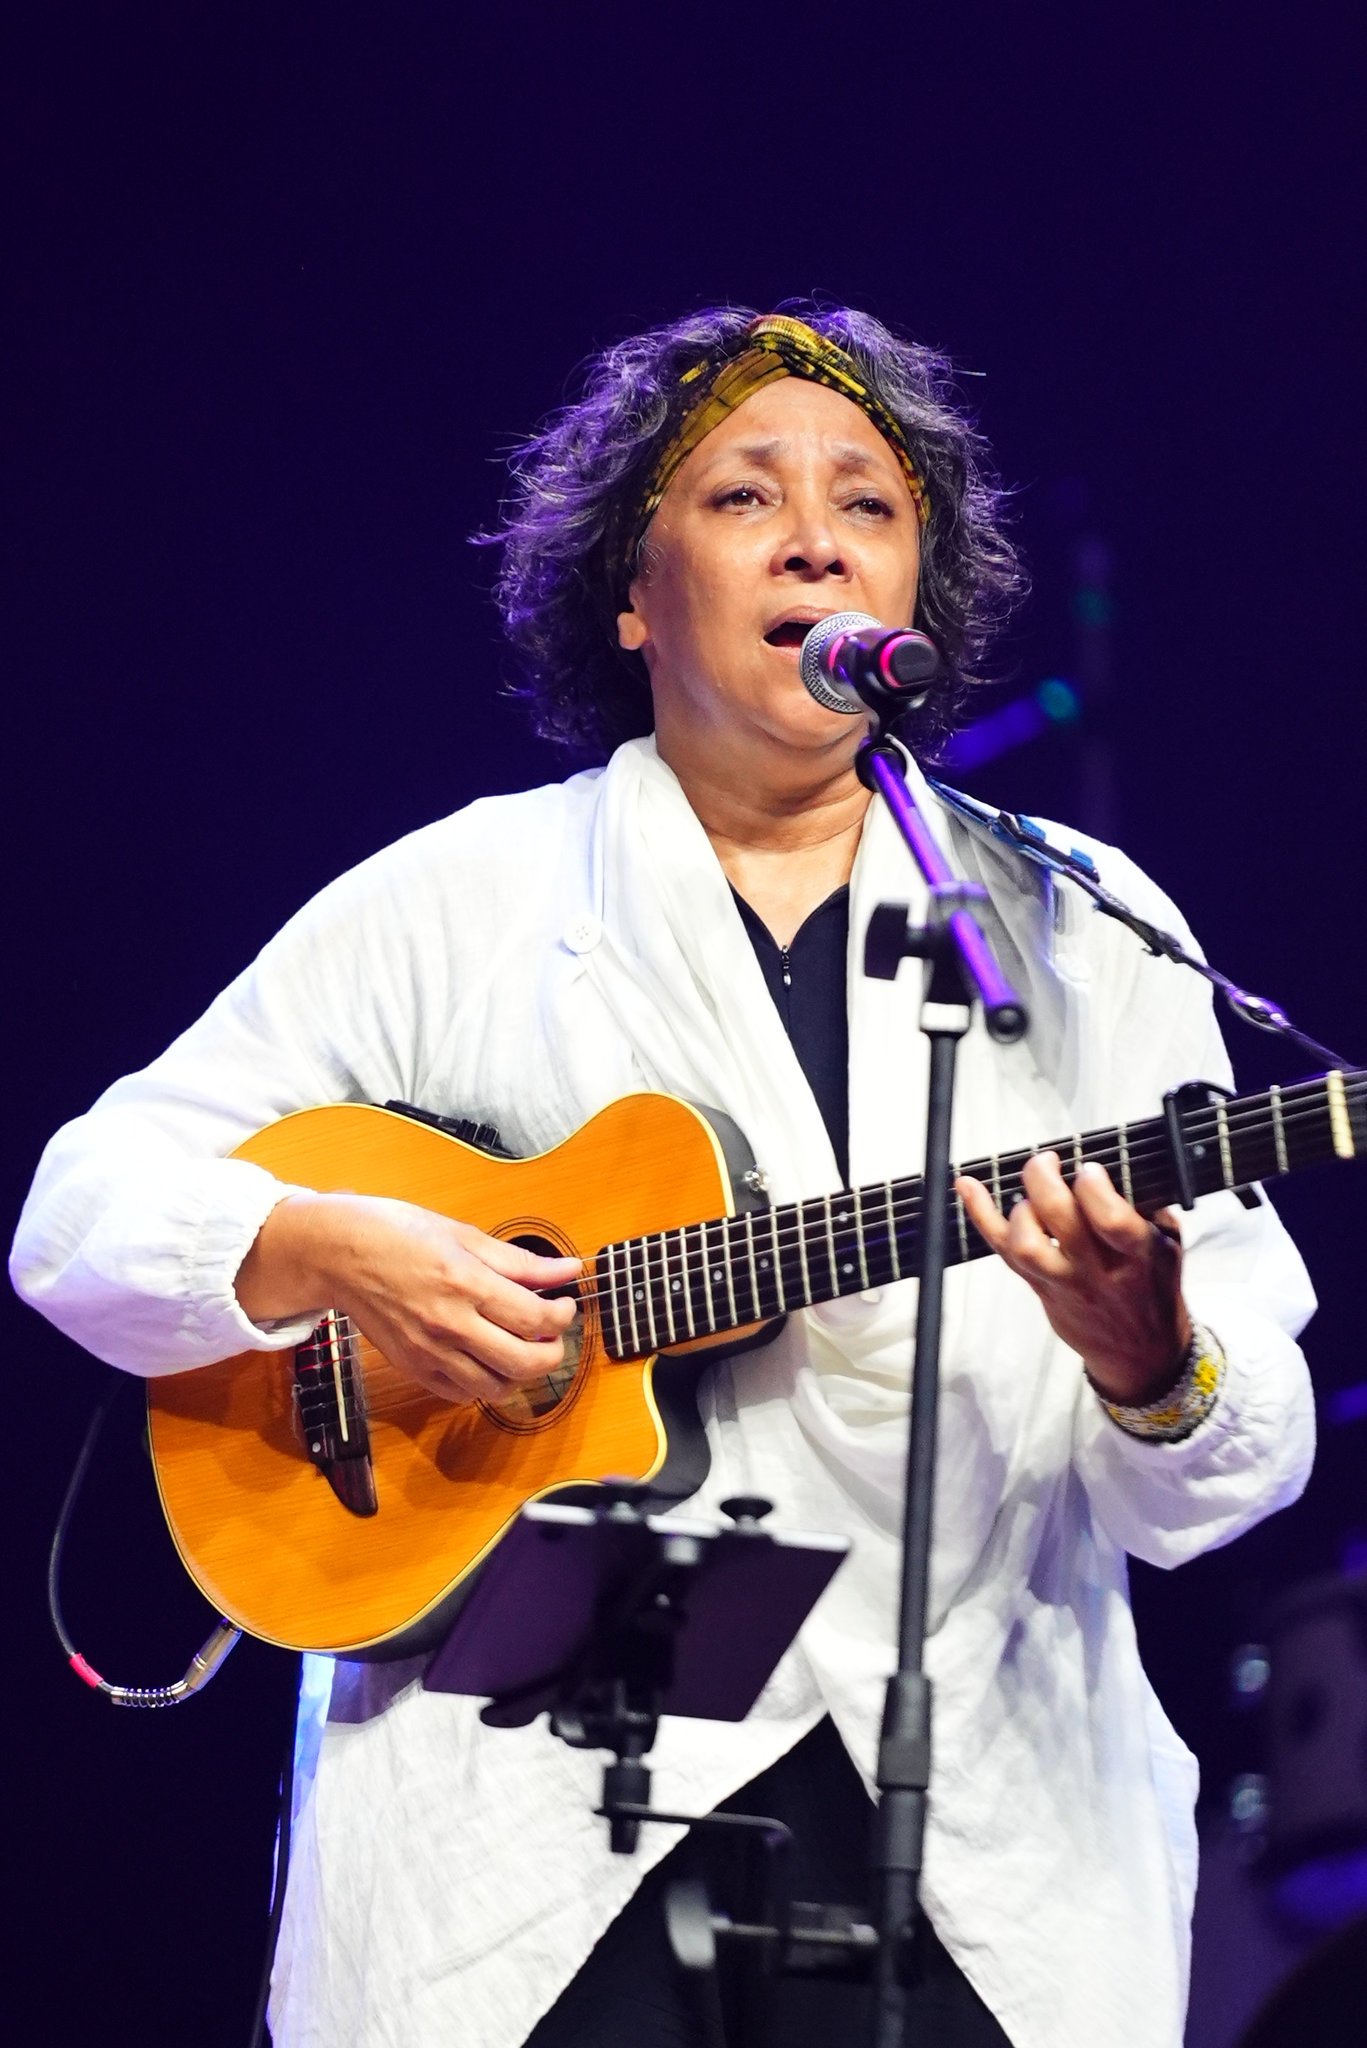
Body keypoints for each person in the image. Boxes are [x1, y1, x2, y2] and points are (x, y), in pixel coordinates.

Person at [11, 305, 1316, 2048]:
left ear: (917, 591)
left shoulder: (1078, 928)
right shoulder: (461, 901)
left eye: (870, 505)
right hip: (534, 1841)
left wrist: (1153, 1364)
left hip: (977, 1828)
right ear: (633, 594)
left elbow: (1235, 1472)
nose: (816, 540)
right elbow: (78, 1214)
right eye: (745, 497)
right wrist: (336, 1246)